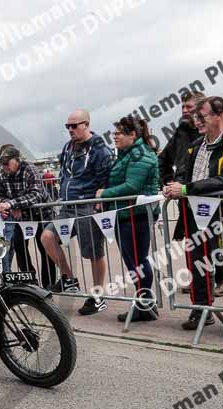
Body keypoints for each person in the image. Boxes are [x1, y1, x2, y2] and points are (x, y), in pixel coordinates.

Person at [163, 96, 223, 335]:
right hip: (195, 215)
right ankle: (201, 310)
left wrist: (185, 189)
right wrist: (173, 185)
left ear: (220, 114)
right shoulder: (195, 145)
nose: (197, 121)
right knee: (197, 264)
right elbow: (184, 173)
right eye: (194, 117)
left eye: (201, 116)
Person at [40, 109, 112, 316]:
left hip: (88, 206)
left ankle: (98, 296)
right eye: (67, 126)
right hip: (68, 206)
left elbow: (106, 180)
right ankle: (69, 279)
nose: (70, 130)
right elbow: (63, 172)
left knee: (93, 253)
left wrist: (99, 203)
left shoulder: (100, 150)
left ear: (86, 124)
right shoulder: (67, 147)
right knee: (47, 236)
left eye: (74, 126)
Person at [98, 116, 161, 322]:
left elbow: (132, 186)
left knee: (138, 261)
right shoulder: (127, 154)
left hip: (137, 215)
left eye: (118, 133)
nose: (114, 136)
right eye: (114, 133)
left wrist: (104, 194)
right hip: (124, 214)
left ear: (132, 135)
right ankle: (144, 304)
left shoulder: (140, 154)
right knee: (132, 261)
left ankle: (145, 305)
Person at [0, 146, 56, 287]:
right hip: (21, 219)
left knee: (45, 249)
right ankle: (30, 282)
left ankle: (49, 285)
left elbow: (36, 194)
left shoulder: (30, 169)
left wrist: (12, 204)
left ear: (17, 160)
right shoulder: (0, 172)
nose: (4, 166)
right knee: (19, 247)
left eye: (7, 163)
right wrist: (4, 205)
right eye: (2, 163)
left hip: (42, 215)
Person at [159, 91, 205, 187]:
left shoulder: (218, 128)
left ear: (202, 108)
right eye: (182, 107)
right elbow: (162, 160)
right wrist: (169, 180)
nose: (184, 110)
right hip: (183, 193)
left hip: (209, 192)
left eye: (188, 107)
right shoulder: (181, 131)